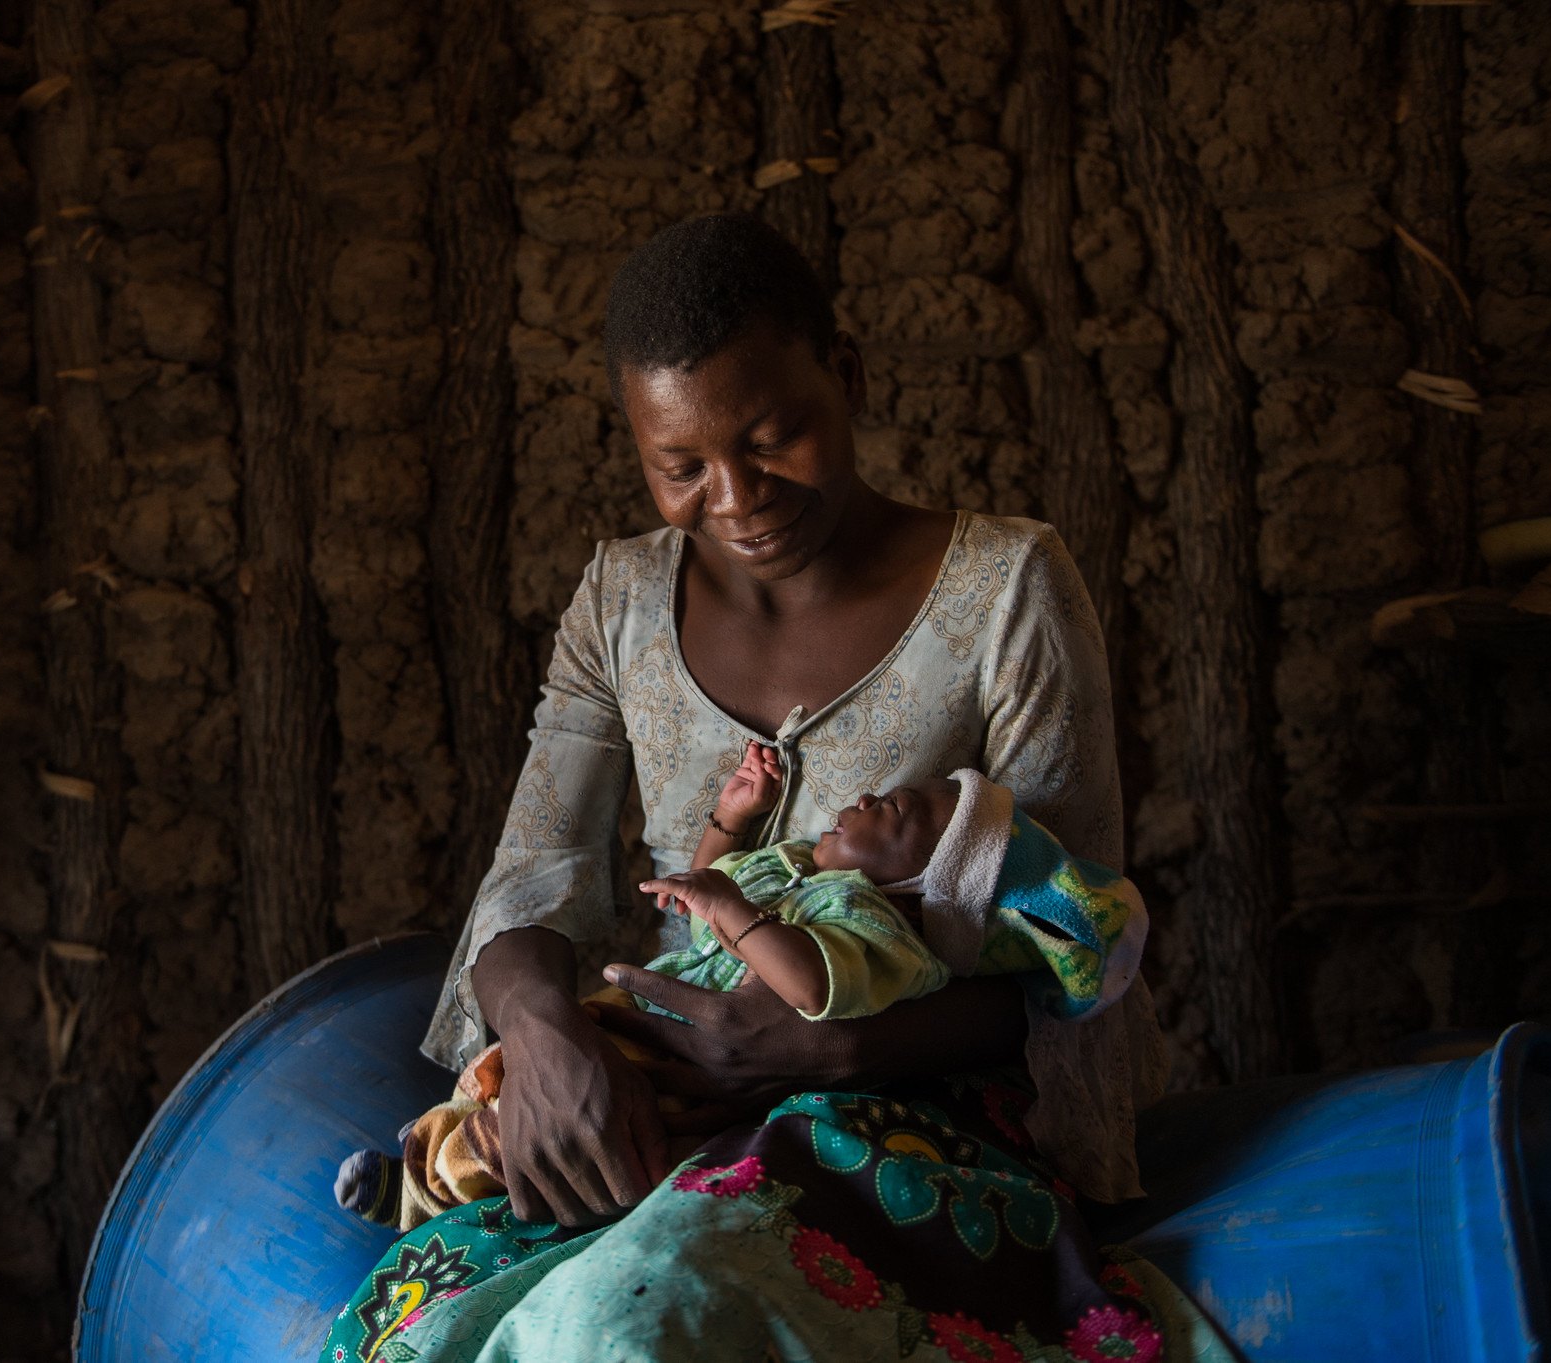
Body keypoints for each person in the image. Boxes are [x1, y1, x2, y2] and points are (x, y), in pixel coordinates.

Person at [319, 215, 1209, 1363]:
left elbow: (1072, 944)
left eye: (773, 437)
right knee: (408, 1334)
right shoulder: (620, 603)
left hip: (914, 1116)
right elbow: (531, 874)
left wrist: (828, 1052)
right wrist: (545, 1041)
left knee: (626, 1321)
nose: (736, 497)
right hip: (662, 1104)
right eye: (680, 466)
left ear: (845, 379)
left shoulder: (1005, 589)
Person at [334, 748, 1148, 1232]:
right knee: (520, 1074)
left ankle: (419, 1186)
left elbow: (813, 989)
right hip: (641, 1017)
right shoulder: (799, 875)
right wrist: (731, 823)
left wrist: (736, 914)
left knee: (527, 1135)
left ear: (918, 883)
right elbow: (711, 891)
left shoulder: (882, 931)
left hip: (683, 1064)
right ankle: (437, 1138)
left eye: (892, 812)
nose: (863, 797)